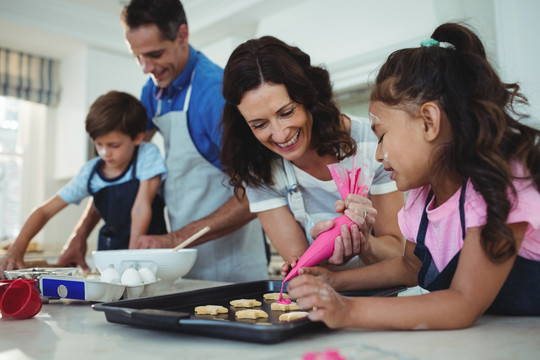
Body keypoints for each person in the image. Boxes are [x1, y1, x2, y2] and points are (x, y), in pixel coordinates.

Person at [287, 23, 540, 330]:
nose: (379, 155)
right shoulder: (422, 196)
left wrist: (348, 311)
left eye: (381, 136)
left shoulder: (497, 187)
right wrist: (336, 281)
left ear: (428, 122)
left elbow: (463, 303)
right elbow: (410, 267)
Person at [58, 0, 268, 282]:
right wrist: (80, 235)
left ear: (182, 35)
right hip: (181, 261)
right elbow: (119, 168)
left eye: (155, 54)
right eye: (137, 57)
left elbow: (258, 191)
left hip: (232, 266)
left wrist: (173, 239)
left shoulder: (214, 95)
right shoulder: (153, 91)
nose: (146, 68)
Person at [220, 36, 405, 276]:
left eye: (286, 112)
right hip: (321, 301)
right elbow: (305, 269)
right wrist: (317, 257)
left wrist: (363, 243)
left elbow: (398, 252)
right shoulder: (260, 170)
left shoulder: (372, 145)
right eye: (259, 124)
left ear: (308, 97)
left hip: (389, 298)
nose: (280, 134)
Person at [0, 91, 167, 276]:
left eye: (114, 145)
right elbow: (44, 211)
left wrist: (131, 262)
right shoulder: (91, 172)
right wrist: (16, 250)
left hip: (148, 257)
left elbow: (140, 209)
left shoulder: (147, 155)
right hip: (109, 259)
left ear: (137, 138)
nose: (105, 153)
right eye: (99, 144)